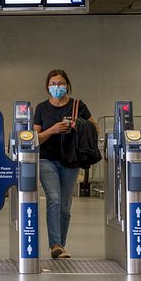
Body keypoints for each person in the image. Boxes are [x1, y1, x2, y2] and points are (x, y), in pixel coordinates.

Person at [33, 69, 96, 259]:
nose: (57, 87)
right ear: (47, 87)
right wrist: (52, 130)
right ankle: (55, 245)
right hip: (46, 159)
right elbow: (35, 138)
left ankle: (61, 244)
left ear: (67, 85)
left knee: (65, 206)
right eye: (53, 84)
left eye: (60, 83)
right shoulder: (42, 108)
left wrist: (79, 124)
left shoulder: (78, 105)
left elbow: (95, 128)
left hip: (70, 159)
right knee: (54, 198)